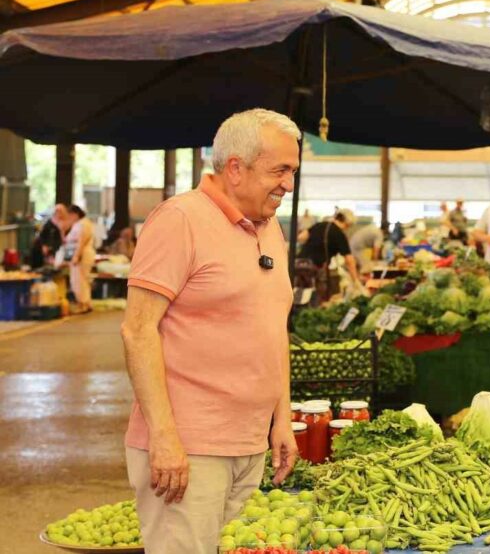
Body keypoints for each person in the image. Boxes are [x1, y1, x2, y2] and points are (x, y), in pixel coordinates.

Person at [119, 109, 301, 554]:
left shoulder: (268, 226)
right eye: (279, 170)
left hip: (249, 442)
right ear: (235, 168)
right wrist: (163, 438)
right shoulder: (179, 219)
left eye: (293, 171)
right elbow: (138, 331)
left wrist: (282, 419)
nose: (289, 185)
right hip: (188, 448)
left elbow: (273, 329)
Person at [298, 209, 362, 295]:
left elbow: (301, 237)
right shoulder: (340, 235)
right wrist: (356, 280)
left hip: (299, 263)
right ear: (348, 223)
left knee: (297, 293)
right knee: (314, 295)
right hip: (314, 269)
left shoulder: (320, 224)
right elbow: (349, 260)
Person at [65, 204, 96, 314]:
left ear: (75, 214)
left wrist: (76, 256)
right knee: (80, 280)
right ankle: (85, 303)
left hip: (82, 253)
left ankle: (83, 304)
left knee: (79, 280)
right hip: (80, 253)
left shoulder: (84, 224)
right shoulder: (79, 224)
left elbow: (82, 241)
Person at [29, 203, 67, 268]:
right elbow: (42, 234)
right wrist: (44, 245)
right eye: (57, 211)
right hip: (46, 245)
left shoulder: (65, 223)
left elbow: (63, 238)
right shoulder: (50, 221)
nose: (58, 213)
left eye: (60, 211)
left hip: (57, 247)